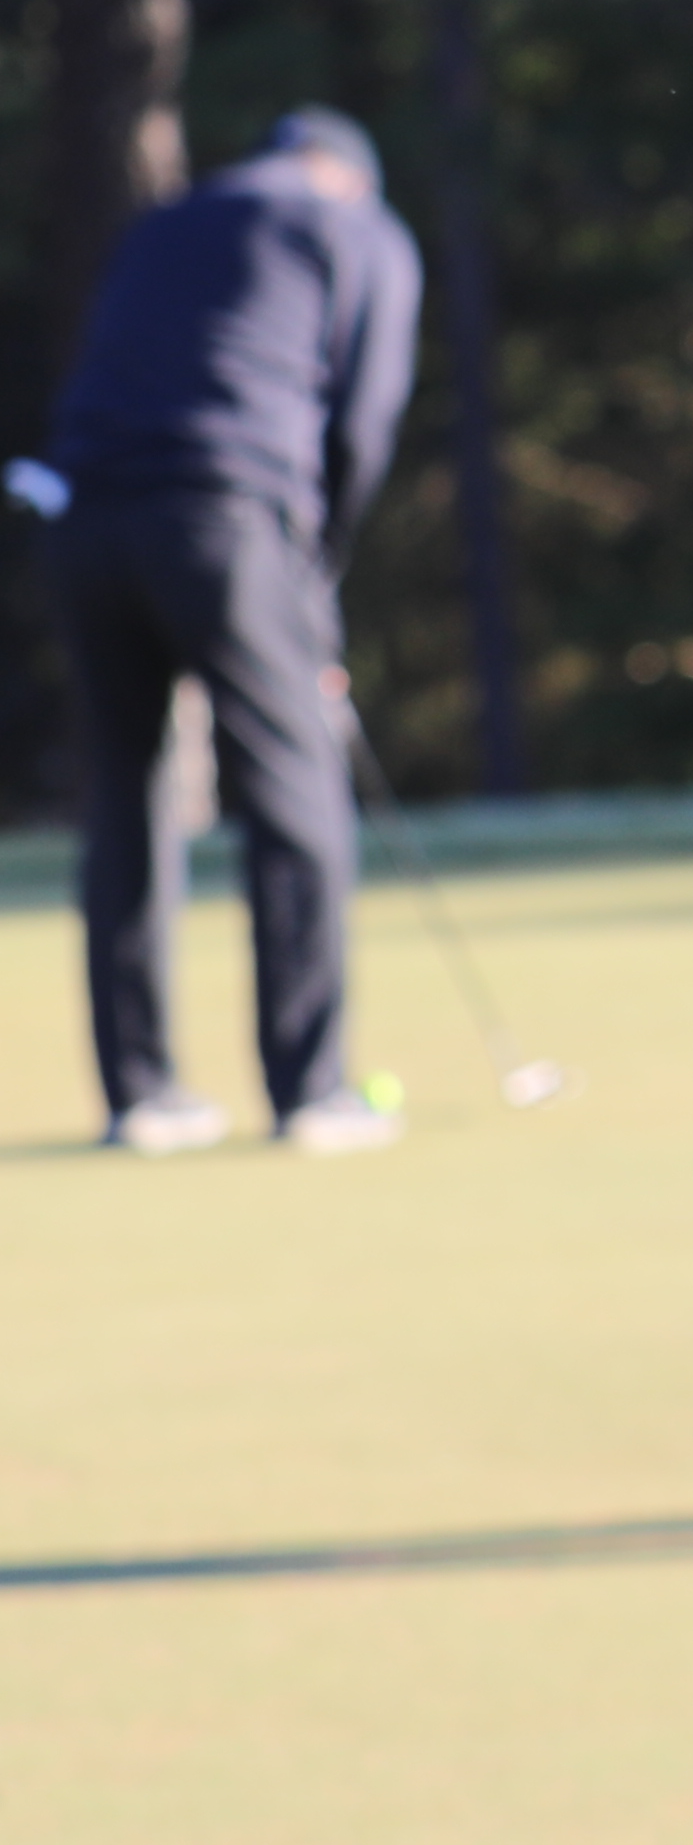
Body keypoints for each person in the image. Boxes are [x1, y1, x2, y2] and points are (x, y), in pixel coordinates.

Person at [40, 108, 423, 1155]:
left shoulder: (169, 223)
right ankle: (309, 1092)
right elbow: (363, 420)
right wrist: (317, 579)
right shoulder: (360, 231)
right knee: (294, 786)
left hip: (85, 518)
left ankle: (143, 1095)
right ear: (351, 176)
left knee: (126, 795)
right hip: (223, 518)